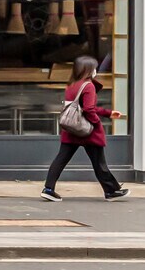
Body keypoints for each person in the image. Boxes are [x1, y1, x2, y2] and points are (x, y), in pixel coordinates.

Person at [42, 55, 127, 202]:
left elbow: (80, 107)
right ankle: (111, 191)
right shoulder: (88, 86)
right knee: (99, 163)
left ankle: (48, 189)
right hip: (87, 131)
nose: (96, 71)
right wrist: (96, 123)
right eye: (94, 68)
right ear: (88, 70)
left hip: (72, 129)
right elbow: (89, 110)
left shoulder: (72, 84)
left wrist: (108, 113)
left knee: (60, 160)